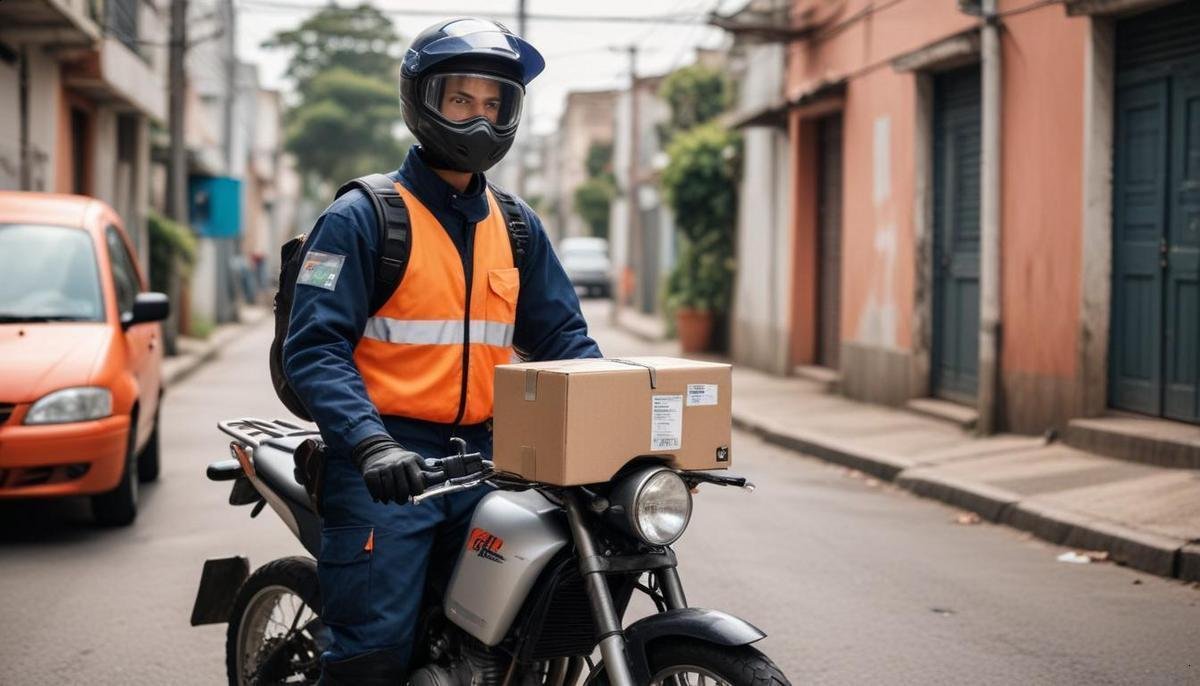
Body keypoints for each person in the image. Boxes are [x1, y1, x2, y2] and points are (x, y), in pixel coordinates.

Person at [282, 17, 601, 685]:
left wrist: (613, 430)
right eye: (462, 99)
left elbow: (565, 339)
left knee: (514, 634)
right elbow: (313, 349)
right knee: (372, 657)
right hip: (387, 465)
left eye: (496, 104)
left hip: (488, 463)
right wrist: (370, 444)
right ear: (420, 101)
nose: (480, 119)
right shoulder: (362, 217)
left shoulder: (516, 227)